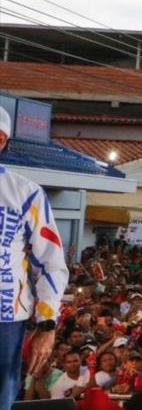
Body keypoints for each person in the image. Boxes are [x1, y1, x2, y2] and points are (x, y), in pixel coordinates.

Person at [0, 105, 70, 409]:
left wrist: (47, 324)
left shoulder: (25, 193)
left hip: (5, 321)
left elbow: (51, 262)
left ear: (1, 141)